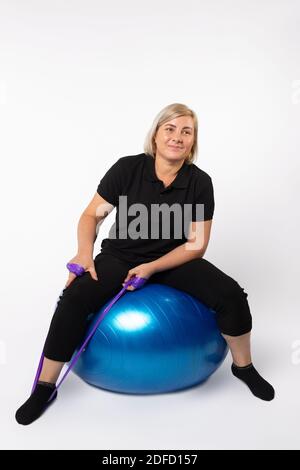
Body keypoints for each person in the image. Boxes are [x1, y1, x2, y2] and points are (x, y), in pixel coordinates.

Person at [15, 103, 275, 425]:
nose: (177, 137)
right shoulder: (127, 169)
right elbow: (90, 216)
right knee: (74, 299)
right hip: (120, 257)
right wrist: (85, 252)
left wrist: (153, 267)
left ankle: (243, 367)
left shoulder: (199, 182)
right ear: (155, 135)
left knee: (232, 295)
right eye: (170, 129)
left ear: (193, 142)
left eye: (186, 131)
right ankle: (45, 387)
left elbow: (196, 245)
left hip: (175, 260)